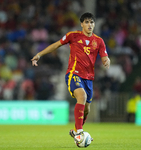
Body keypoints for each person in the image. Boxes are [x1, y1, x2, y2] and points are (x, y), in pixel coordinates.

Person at [31, 12, 110, 143]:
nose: (89, 25)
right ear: (81, 24)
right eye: (87, 22)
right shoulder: (72, 36)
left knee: (87, 110)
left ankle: (75, 130)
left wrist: (107, 61)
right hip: (74, 73)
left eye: (92, 22)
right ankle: (79, 132)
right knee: (82, 96)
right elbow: (56, 45)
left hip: (89, 78)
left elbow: (104, 56)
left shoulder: (99, 41)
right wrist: (39, 54)